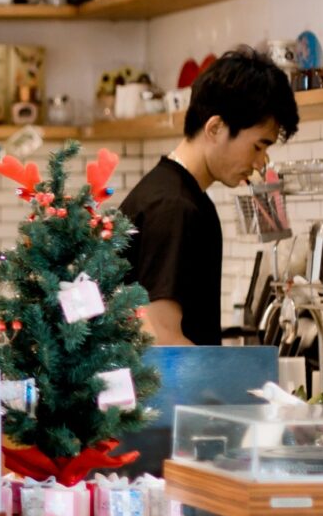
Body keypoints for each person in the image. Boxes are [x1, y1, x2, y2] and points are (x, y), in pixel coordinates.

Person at [120, 47, 298, 346]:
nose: (261, 162)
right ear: (215, 128)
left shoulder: (176, 195)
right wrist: (221, 390)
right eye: (258, 146)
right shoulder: (173, 207)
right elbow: (162, 338)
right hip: (171, 393)